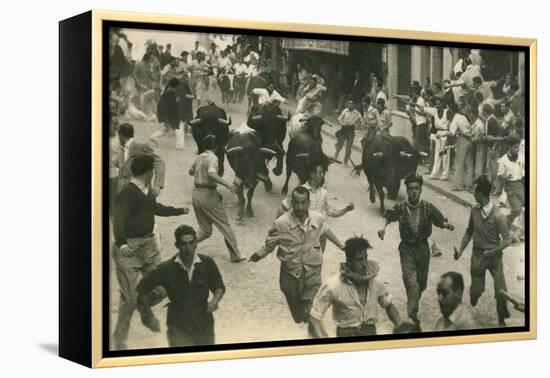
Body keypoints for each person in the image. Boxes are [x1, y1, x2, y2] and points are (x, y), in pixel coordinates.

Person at [112, 155, 189, 349]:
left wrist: (178, 210)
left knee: (162, 288)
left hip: (149, 247)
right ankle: (119, 338)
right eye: (153, 171)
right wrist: (122, 245)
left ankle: (142, 306)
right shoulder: (127, 193)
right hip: (130, 248)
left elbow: (155, 208)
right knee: (128, 299)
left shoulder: (147, 191)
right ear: (148, 172)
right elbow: (118, 220)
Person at [249, 186, 346, 330]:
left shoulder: (317, 218)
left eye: (303, 202)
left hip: (312, 269)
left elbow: (325, 230)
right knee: (297, 313)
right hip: (290, 272)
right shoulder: (281, 223)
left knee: (312, 304)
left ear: (308, 202)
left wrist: (342, 246)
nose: (300, 207)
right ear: (292, 203)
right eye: (296, 203)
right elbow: (270, 243)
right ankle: (301, 314)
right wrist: (258, 255)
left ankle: (312, 324)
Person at [378, 174, 455, 325]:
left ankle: (413, 299)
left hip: (423, 249)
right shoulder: (401, 207)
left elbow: (439, 219)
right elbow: (388, 216)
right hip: (406, 248)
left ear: (420, 190)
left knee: (422, 283)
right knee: (411, 280)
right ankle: (412, 311)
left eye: (416, 189)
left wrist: (447, 225)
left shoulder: (427, 207)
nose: (414, 191)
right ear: (407, 190)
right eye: (411, 189)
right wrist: (383, 229)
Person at [136, 225, 225, 347]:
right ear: (177, 245)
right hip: (178, 325)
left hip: (203, 323)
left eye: (191, 243)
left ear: (196, 244)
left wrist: (214, 301)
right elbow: (141, 289)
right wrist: (148, 315)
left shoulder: (207, 263)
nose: (188, 249)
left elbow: (218, 285)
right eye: (183, 244)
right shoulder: (166, 268)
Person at [309, 236, 401, 338]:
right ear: (349, 261)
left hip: (370, 333)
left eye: (366, 258)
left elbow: (389, 306)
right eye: (360, 260)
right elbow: (315, 317)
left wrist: (401, 327)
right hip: (346, 335)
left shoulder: (376, 282)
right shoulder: (333, 285)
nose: (365, 264)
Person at [454, 175, 512, 326]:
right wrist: (460, 250)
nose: (472, 193)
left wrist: (493, 252)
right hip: (478, 256)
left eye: (474, 190)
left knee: (501, 289)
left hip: (494, 258)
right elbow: (469, 232)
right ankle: (475, 295)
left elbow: (507, 240)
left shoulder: (499, 216)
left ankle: (501, 318)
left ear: (480, 193)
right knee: (475, 292)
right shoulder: (474, 211)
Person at [189, 135, 246, 263]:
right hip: (208, 194)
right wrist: (228, 184)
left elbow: (190, 171)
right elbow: (211, 173)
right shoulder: (213, 158)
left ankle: (188, 245)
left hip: (196, 194)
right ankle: (235, 255)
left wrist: (200, 174)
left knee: (205, 230)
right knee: (225, 226)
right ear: (215, 147)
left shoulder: (199, 157)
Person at [278, 159, 354, 250]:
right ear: (312, 174)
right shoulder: (301, 191)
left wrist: (346, 209)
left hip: (320, 238)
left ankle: (342, 247)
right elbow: (284, 207)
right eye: (320, 172)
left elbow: (332, 212)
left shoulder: (323, 193)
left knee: (318, 261)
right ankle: (342, 247)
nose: (322, 175)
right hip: (303, 237)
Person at [117, 123, 165, 196]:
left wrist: (157, 185)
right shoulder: (121, 148)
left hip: (140, 189)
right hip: (125, 189)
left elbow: (159, 162)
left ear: (121, 135)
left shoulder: (140, 145)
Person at [416, 96, 450, 180]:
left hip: (445, 133)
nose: (437, 106)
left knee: (445, 154)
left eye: (439, 104)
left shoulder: (447, 112)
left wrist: (448, 134)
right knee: (437, 154)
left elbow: (451, 123)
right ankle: (434, 173)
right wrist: (413, 104)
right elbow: (423, 108)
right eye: (436, 104)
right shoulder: (434, 111)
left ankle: (445, 174)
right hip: (438, 133)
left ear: (443, 104)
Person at [498, 136, 525, 229]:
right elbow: (499, 175)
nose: (517, 149)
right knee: (517, 209)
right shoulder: (503, 160)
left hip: (520, 185)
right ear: (509, 147)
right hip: (510, 186)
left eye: (518, 147)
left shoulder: (521, 157)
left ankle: (522, 230)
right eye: (515, 147)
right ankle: (505, 223)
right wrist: (505, 177)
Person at [150, 78, 182, 147]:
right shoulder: (171, 93)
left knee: (168, 128)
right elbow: (172, 105)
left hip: (164, 113)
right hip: (168, 114)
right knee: (172, 128)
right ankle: (179, 144)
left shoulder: (168, 91)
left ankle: (154, 137)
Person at [450, 103, 474, 191]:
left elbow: (452, 132)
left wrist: (444, 134)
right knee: (469, 163)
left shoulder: (455, 118)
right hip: (470, 140)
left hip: (462, 140)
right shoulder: (463, 117)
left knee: (459, 163)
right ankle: (469, 184)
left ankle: (458, 185)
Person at [334, 99, 363, 165]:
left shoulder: (357, 113)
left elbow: (362, 121)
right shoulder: (345, 111)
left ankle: (345, 160)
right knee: (340, 143)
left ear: (354, 105)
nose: (350, 105)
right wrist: (342, 123)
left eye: (351, 103)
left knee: (349, 146)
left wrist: (357, 126)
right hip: (344, 129)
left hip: (351, 130)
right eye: (349, 103)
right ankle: (336, 155)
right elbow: (339, 119)